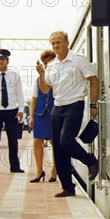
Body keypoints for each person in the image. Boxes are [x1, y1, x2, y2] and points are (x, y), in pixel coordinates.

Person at [38, 31, 99, 197]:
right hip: (57, 107)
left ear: (67, 43)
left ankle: (91, 161)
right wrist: (42, 75)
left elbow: (94, 80)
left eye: (59, 42)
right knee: (58, 148)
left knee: (66, 141)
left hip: (74, 105)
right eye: (53, 44)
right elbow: (45, 89)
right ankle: (67, 187)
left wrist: (93, 104)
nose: (56, 46)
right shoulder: (52, 65)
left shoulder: (79, 59)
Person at [29, 50, 58, 183]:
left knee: (55, 143)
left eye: (49, 62)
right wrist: (31, 116)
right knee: (36, 142)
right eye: (45, 63)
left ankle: (54, 170)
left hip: (54, 113)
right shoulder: (38, 80)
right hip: (40, 114)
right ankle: (39, 171)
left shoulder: (58, 77)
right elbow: (34, 99)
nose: (47, 65)